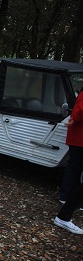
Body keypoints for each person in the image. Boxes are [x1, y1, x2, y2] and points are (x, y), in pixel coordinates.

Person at [54, 92, 83, 234]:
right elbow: (79, 111)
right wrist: (73, 120)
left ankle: (68, 202)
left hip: (78, 138)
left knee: (75, 169)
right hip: (79, 139)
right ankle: (65, 198)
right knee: (74, 168)